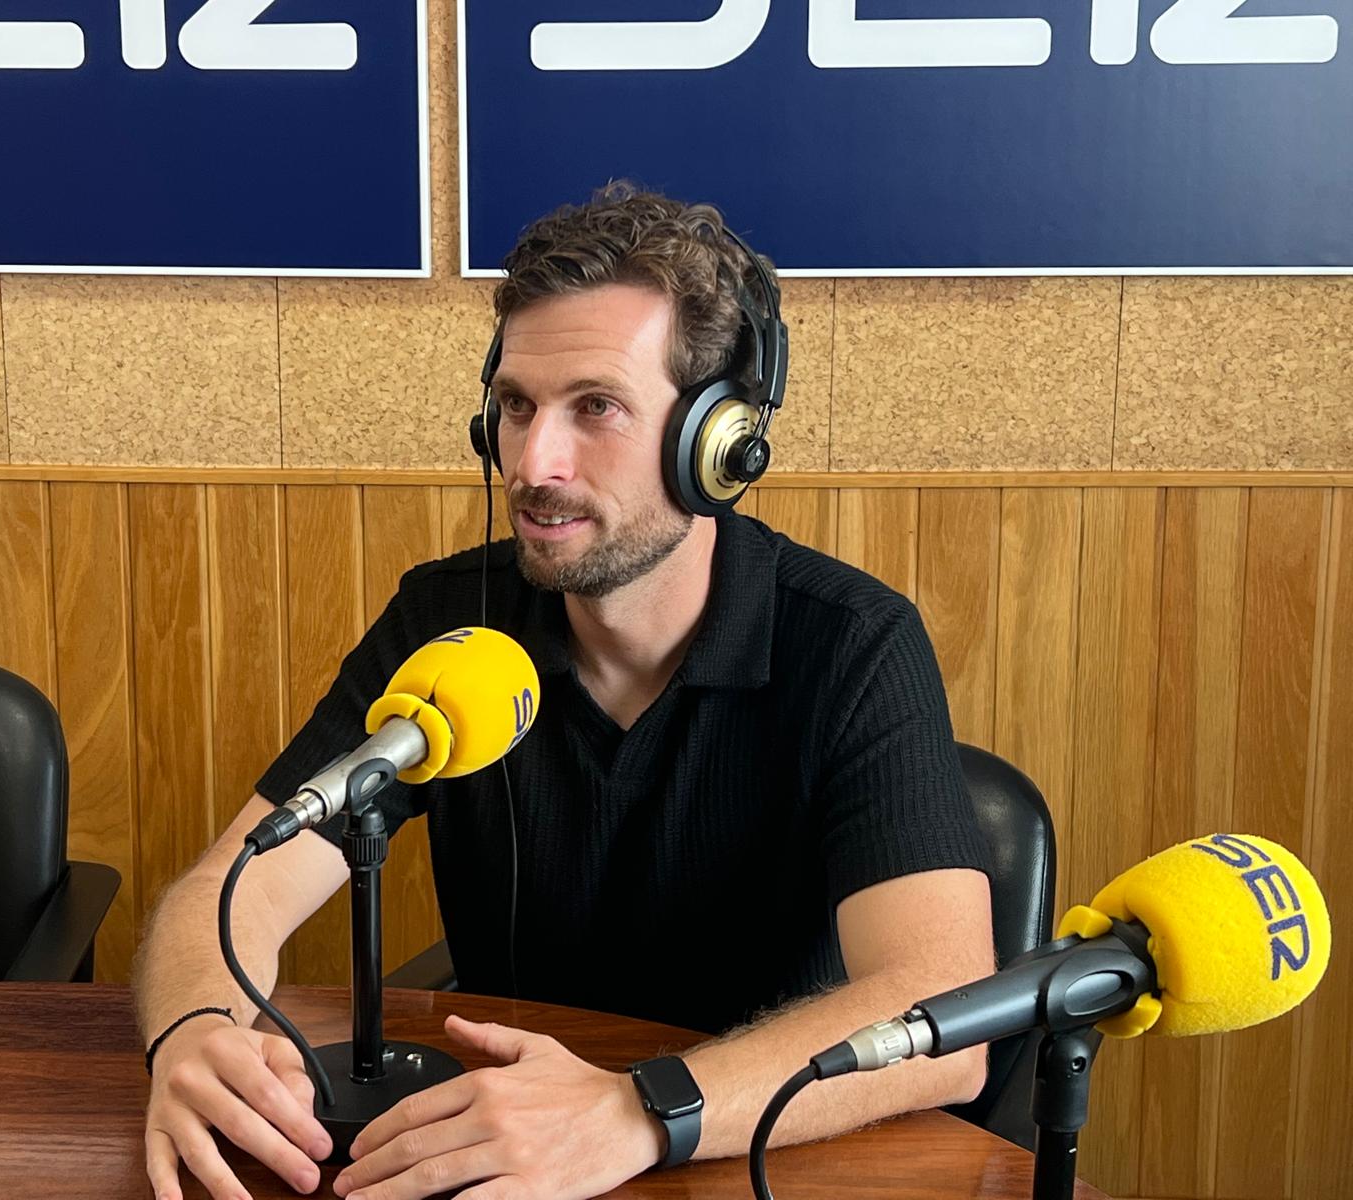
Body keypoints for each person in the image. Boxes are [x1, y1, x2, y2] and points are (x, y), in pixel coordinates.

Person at [134, 184, 995, 1200]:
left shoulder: (852, 642)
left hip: (765, 1152)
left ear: (717, 442)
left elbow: (942, 1015)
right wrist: (192, 1032)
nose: (535, 463)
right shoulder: (446, 620)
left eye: (596, 407)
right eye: (515, 407)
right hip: (499, 1153)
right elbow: (231, 888)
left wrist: (636, 1111)